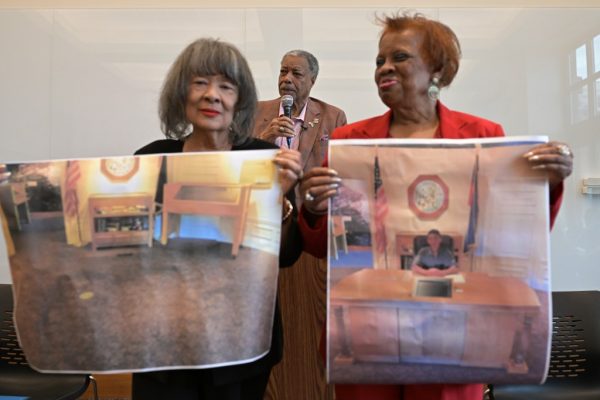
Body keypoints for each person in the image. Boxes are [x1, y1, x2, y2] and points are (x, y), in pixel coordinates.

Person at [297, 11, 573, 400]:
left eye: (400, 57)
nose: (384, 68)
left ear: (438, 71)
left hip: (456, 333)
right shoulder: (351, 143)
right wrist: (313, 207)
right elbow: (323, 248)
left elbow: (511, 233)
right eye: (379, 60)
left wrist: (549, 180)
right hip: (372, 329)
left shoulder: (483, 137)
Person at [132, 38, 303, 400]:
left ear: (240, 100)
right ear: (181, 94)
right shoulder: (150, 160)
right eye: (200, 83)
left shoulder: (265, 159)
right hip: (164, 341)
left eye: (226, 86)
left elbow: (287, 255)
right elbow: (132, 253)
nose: (212, 95)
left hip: (241, 341)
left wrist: (279, 199)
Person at [253, 49, 347, 176]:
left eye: (296, 73)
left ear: (312, 81)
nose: (287, 78)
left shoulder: (334, 117)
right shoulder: (255, 111)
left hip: (309, 188)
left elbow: (342, 169)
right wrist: (265, 138)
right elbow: (239, 159)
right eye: (283, 72)